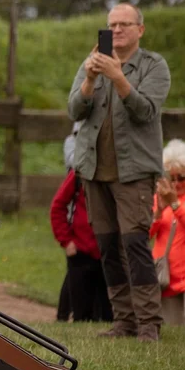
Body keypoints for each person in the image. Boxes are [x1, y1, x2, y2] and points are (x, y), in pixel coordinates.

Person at [67, 3, 171, 342]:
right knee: (108, 247)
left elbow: (147, 112)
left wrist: (118, 77)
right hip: (95, 171)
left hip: (135, 172)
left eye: (125, 24)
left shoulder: (154, 66)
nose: (117, 30)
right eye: (112, 25)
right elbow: (74, 109)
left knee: (135, 245)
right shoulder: (91, 63)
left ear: (140, 30)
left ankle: (149, 325)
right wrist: (91, 79)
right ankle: (124, 324)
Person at [49, 137, 112, 322]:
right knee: (82, 315)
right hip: (81, 252)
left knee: (109, 315)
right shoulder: (79, 175)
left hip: (109, 254)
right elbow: (57, 206)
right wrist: (66, 240)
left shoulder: (117, 178)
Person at [151, 139, 185, 326]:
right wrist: (157, 213)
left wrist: (174, 204)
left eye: (181, 178)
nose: (176, 183)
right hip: (165, 278)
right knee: (172, 330)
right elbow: (146, 234)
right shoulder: (159, 198)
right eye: (172, 178)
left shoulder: (175, 200)